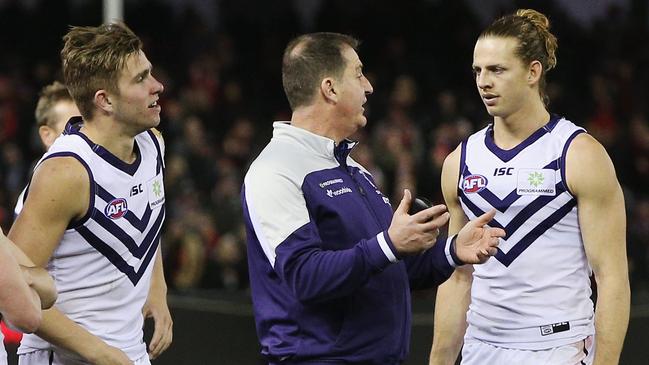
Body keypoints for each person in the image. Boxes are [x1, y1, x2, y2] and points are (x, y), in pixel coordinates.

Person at [242, 32, 505, 364]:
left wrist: (452, 251)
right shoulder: (275, 169)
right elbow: (305, 275)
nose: (368, 86)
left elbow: (388, 269)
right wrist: (390, 244)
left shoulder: (352, 169)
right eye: (358, 73)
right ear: (329, 88)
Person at [429, 9, 629, 365]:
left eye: (497, 70)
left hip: (558, 348)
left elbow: (612, 277)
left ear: (533, 72)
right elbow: (458, 278)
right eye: (478, 70)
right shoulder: (459, 162)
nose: (483, 82)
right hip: (480, 347)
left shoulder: (578, 154)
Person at [9, 22, 172, 365]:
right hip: (65, 358)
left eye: (150, 73)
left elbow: (143, 218)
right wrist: (100, 353)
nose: (158, 86)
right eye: (141, 79)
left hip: (127, 354)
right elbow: (12, 287)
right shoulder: (65, 173)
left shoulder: (153, 143)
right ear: (105, 100)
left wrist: (158, 286)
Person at [14, 81, 81, 215]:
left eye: (88, 124)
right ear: (47, 135)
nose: (86, 134)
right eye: (76, 127)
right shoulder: (36, 199)